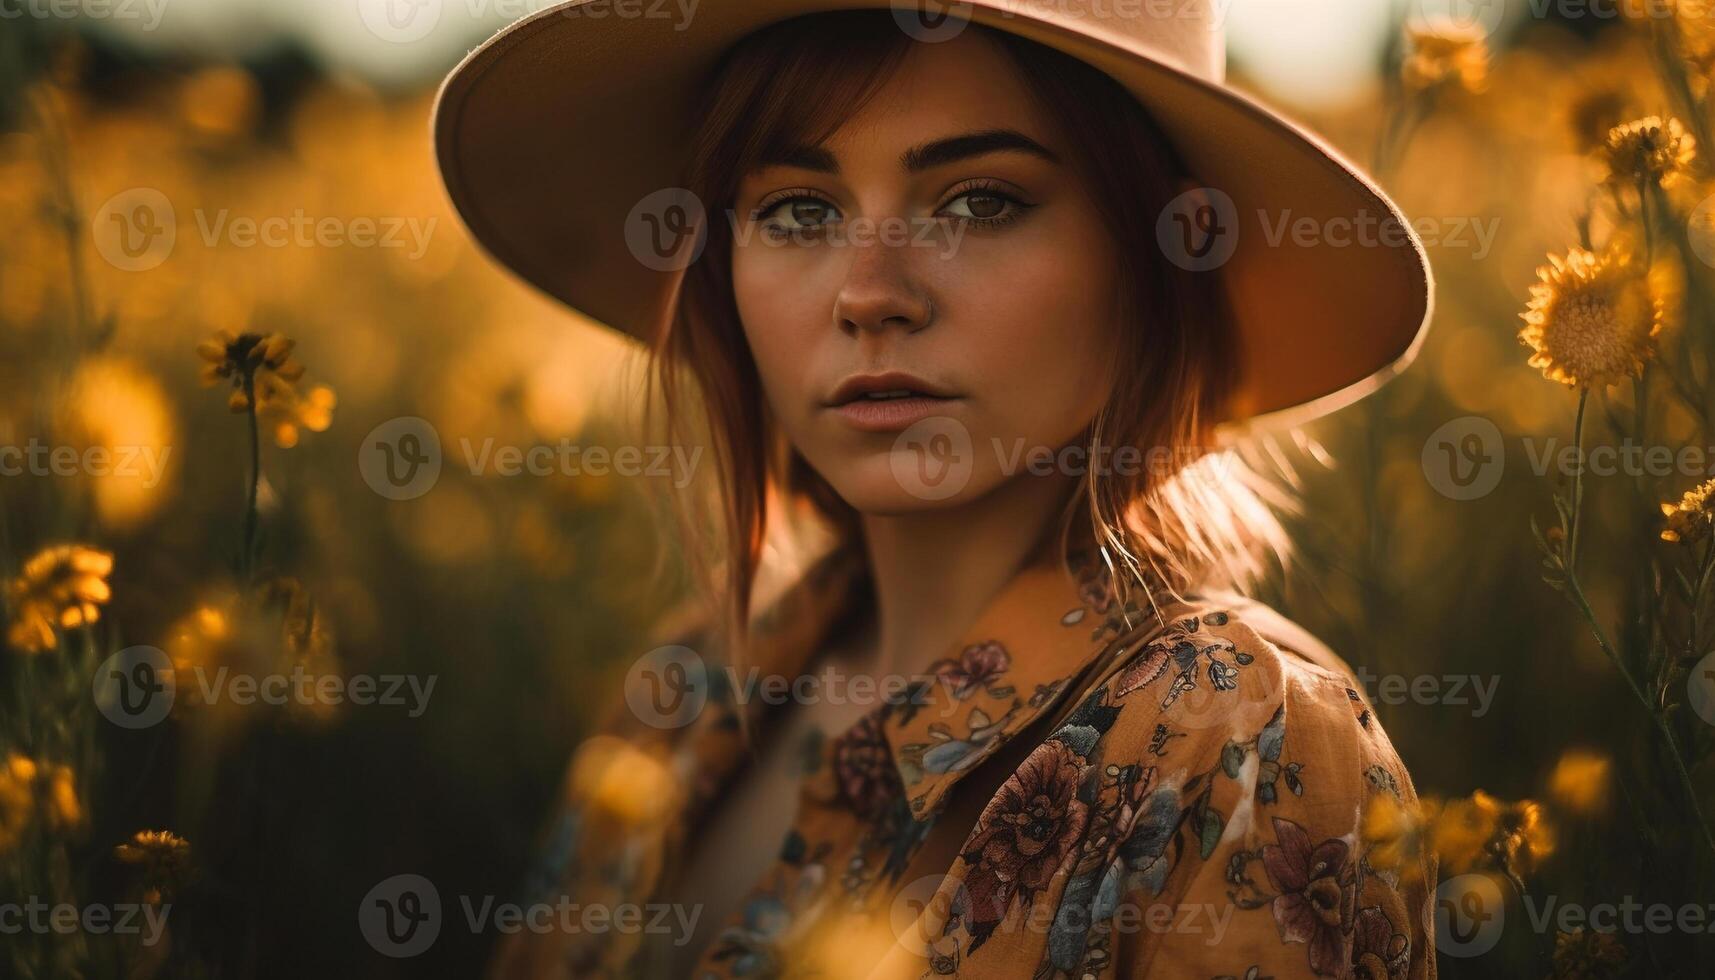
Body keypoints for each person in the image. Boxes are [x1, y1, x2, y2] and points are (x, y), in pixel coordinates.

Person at [434, 2, 1438, 977]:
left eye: (979, 202)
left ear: (1154, 257)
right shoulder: (684, 692)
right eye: (797, 210)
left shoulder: (1236, 732)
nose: (870, 292)